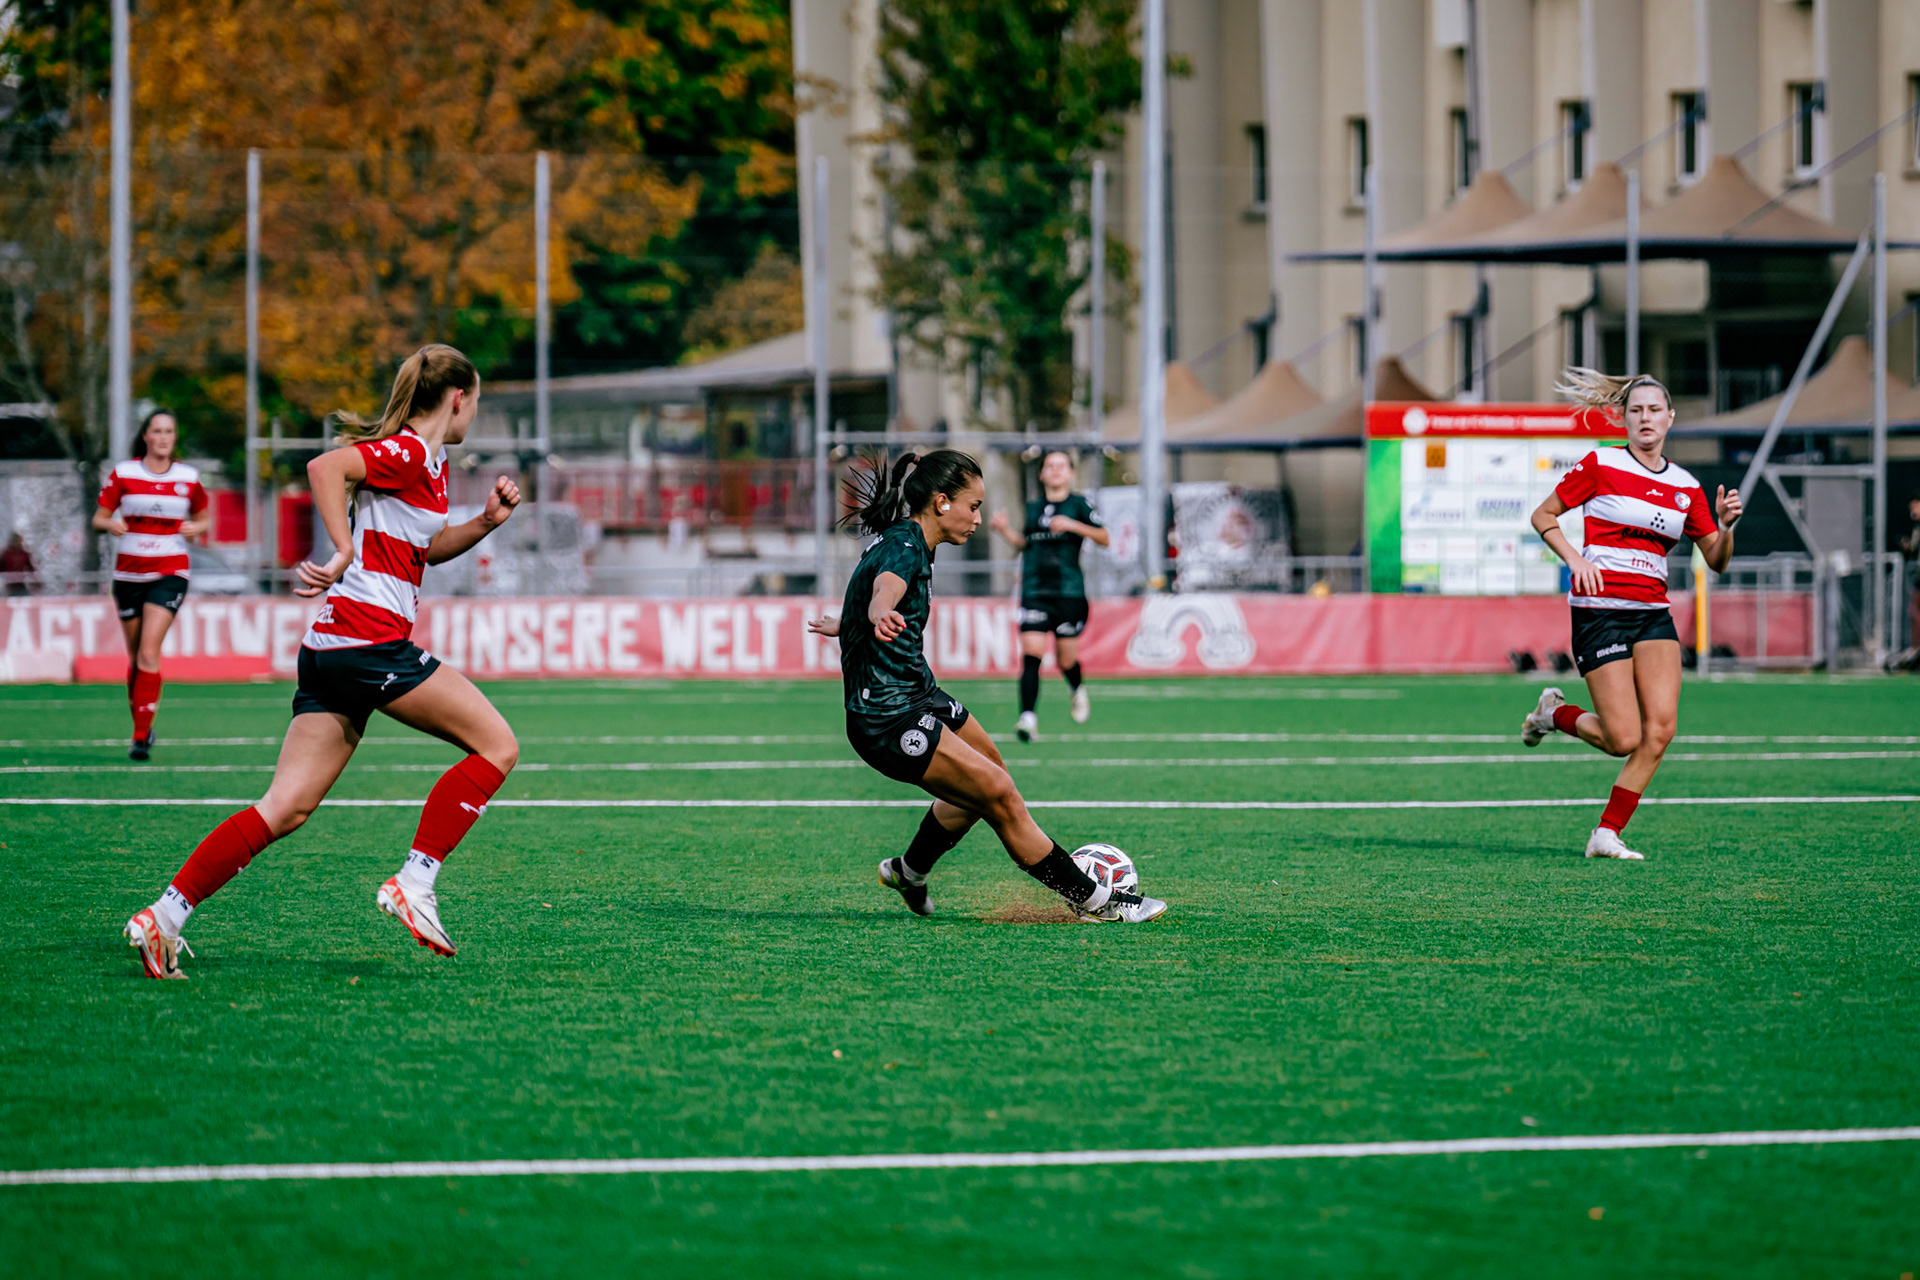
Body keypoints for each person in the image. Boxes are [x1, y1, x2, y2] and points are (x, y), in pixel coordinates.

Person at [124, 345, 523, 979]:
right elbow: (326, 467)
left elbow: (424, 549)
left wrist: (484, 523)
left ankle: (163, 918)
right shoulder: (411, 450)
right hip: (369, 641)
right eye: (475, 401)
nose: (474, 412)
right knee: (497, 747)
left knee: (283, 808)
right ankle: (414, 883)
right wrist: (341, 549)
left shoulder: (432, 462)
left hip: (333, 648)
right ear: (457, 399)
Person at [807, 449, 1164, 923]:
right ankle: (1098, 901)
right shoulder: (906, 547)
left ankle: (908, 871)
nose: (978, 518)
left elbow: (874, 584)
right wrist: (874, 612)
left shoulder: (909, 540)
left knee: (991, 772)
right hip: (887, 717)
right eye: (972, 506)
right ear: (940, 503)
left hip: (919, 694)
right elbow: (885, 587)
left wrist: (851, 622)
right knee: (997, 793)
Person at [1518, 368, 1742, 860]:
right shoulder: (1601, 464)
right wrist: (1575, 559)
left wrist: (1724, 528)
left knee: (1661, 730)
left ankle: (1606, 833)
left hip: (1652, 614)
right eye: (1636, 410)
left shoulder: (1687, 486)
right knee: (1623, 738)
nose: (1645, 418)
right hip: (1600, 611)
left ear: (1670, 418)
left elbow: (1717, 560)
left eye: (1654, 410)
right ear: (1622, 418)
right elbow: (1543, 516)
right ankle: (1553, 715)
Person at [92, 409, 210, 759]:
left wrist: (196, 528)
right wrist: (109, 524)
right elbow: (99, 517)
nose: (162, 437)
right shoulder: (124, 473)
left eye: (169, 431)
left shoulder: (188, 477)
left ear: (175, 437)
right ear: (145, 435)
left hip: (170, 571)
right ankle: (143, 726)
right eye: (156, 431)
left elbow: (203, 517)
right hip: (128, 573)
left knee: (148, 651)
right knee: (135, 657)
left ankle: (140, 738)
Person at [988, 449, 1108, 742]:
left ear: (1070, 473)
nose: (1055, 471)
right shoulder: (1033, 508)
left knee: (1066, 661)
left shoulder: (1079, 504)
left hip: (1068, 592)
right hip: (1034, 590)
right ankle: (1027, 718)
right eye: (1049, 466)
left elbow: (1104, 537)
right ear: (1042, 474)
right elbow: (1025, 543)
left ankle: (1076, 689)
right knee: (1032, 656)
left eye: (1061, 466)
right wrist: (1004, 531)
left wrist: (1073, 525)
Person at [0, 530, 35, 596]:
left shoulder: (24, 554)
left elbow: (31, 568)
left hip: (21, 584)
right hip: (8, 586)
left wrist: (34, 579)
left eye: (19, 541)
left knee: (26, 598)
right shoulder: (6, 554)